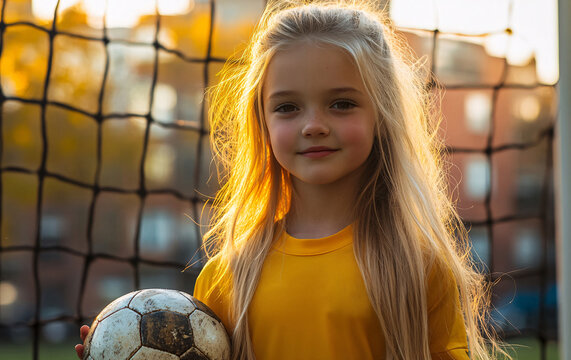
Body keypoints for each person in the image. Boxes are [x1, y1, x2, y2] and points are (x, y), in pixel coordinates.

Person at [76, 1, 511, 359]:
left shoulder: (417, 266)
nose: (313, 125)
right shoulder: (227, 276)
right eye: (287, 107)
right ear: (261, 123)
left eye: (341, 103)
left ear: (383, 116)